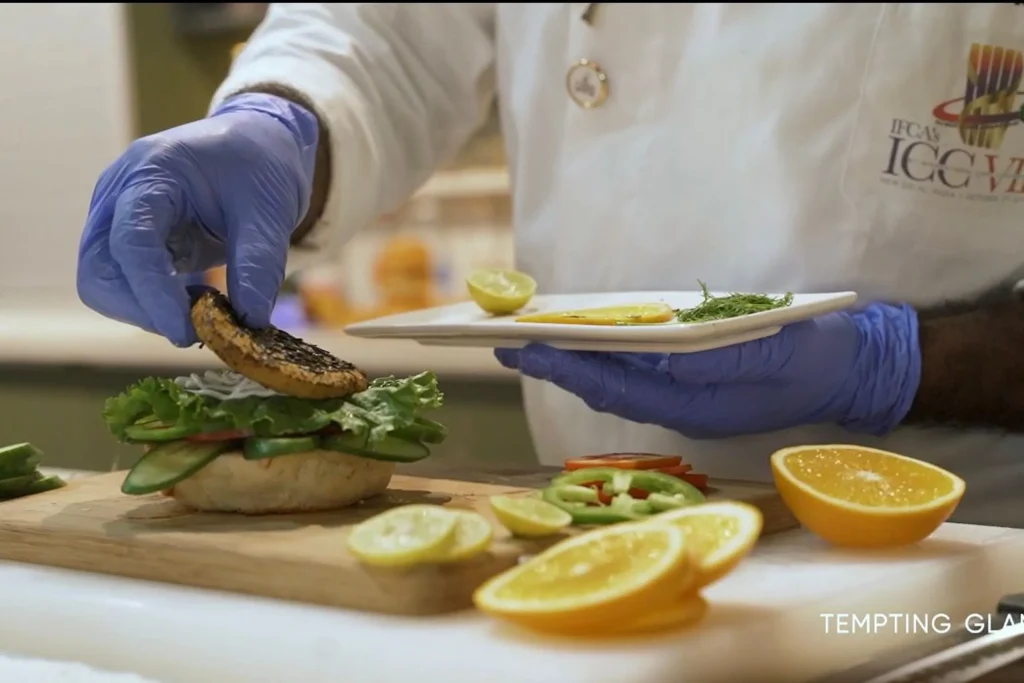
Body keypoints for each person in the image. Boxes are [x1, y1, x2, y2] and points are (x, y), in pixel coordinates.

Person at [76, 4, 1024, 527]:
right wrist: (285, 119)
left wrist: (895, 364)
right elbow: (385, 32)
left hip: (955, 558)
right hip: (581, 520)